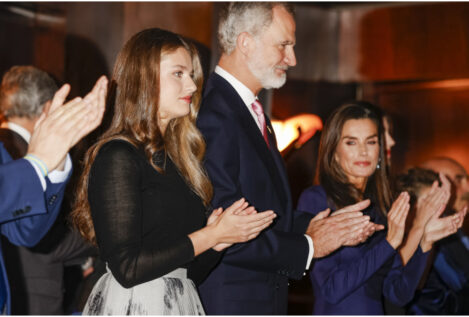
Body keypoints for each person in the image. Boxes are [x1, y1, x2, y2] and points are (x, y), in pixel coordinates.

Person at [71, 28, 277, 315]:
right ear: (143, 78)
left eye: (191, 75)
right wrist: (209, 235)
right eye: (178, 74)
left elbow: (185, 276)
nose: (192, 87)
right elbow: (127, 269)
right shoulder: (118, 155)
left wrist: (218, 241)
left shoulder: (181, 160)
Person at [196, 3, 377, 314]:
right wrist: (310, 246)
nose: (292, 59)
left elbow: (267, 213)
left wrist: (326, 226)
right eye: (284, 45)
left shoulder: (251, 112)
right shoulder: (215, 114)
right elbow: (225, 228)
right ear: (245, 42)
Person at [297, 101, 454, 314]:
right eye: (351, 143)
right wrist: (389, 243)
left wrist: (425, 240)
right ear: (333, 151)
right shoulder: (317, 199)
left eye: (370, 142)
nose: (363, 152)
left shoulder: (382, 206)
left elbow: (398, 293)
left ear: (380, 150)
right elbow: (332, 290)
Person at [0, 72, 107, 314]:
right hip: (30, 294)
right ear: (48, 107)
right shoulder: (13, 148)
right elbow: (46, 243)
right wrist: (39, 163)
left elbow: (25, 230)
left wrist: (55, 165)